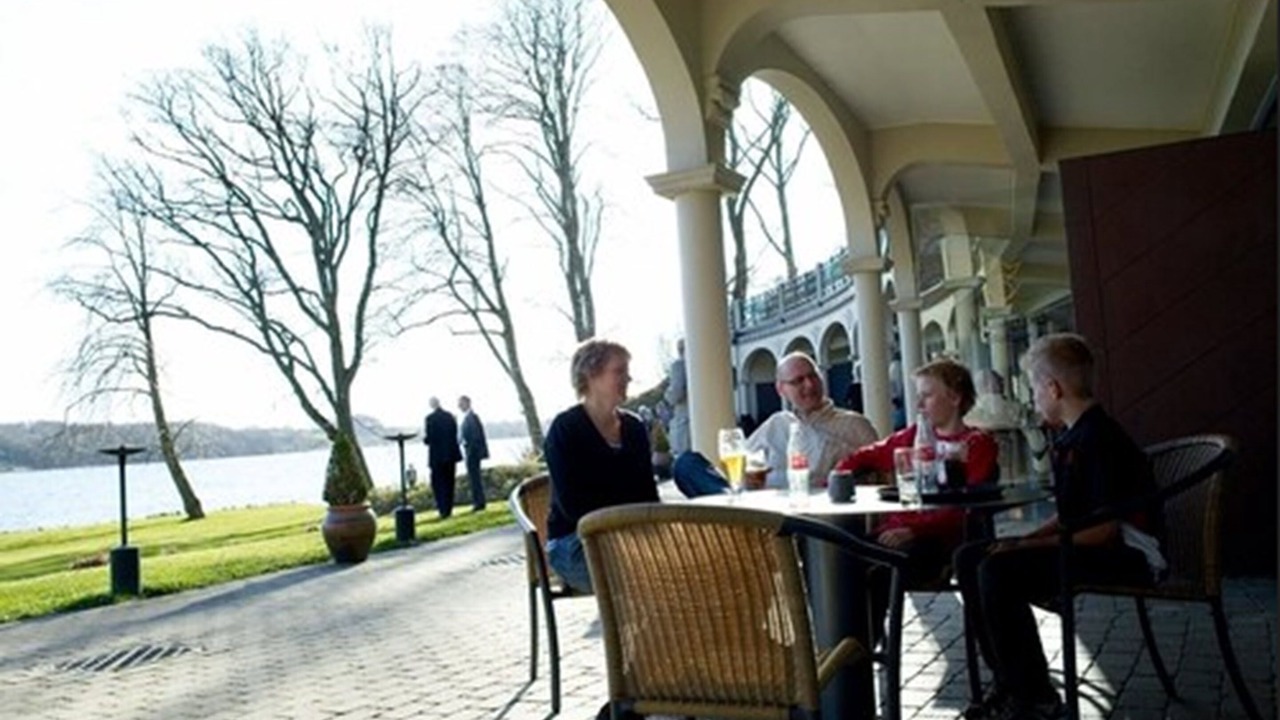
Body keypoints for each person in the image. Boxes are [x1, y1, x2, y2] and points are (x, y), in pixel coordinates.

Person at [953, 334, 1162, 720]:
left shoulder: (1098, 438)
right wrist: (1025, 539)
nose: (1033, 398)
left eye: (1034, 388)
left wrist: (1027, 548)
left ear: (1053, 388)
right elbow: (1072, 518)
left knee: (998, 571)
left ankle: (1035, 699)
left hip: (1127, 556)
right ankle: (1010, 684)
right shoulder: (1075, 436)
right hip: (1095, 545)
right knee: (970, 557)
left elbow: (1103, 531)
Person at [832, 358, 999, 636]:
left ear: (955, 398)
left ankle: (864, 646)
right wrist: (838, 475)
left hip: (944, 540)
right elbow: (867, 455)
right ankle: (853, 648)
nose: (919, 404)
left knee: (876, 571)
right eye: (918, 396)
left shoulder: (976, 445)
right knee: (840, 559)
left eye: (927, 395)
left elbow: (966, 508)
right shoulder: (913, 436)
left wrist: (914, 530)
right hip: (896, 534)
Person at [672, 352, 877, 497]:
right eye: (798, 381)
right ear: (781, 390)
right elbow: (741, 469)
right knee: (686, 463)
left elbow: (878, 481)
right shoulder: (776, 424)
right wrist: (746, 478)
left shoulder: (854, 424)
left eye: (813, 376)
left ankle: (730, 510)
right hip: (765, 510)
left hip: (812, 517)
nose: (809, 384)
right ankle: (729, 504)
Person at [545, 338, 659, 594]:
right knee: (643, 577)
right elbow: (574, 507)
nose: (628, 378)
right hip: (575, 543)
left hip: (630, 539)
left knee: (687, 565)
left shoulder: (634, 428)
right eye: (619, 371)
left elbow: (648, 496)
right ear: (591, 374)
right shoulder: (566, 429)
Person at [423, 397, 462, 519]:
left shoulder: (430, 419)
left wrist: (425, 440)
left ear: (432, 405)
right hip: (450, 455)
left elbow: (430, 438)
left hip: (437, 457)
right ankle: (448, 508)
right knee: (450, 482)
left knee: (438, 483)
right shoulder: (450, 416)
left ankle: (442, 508)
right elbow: (454, 434)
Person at [457, 395, 489, 512]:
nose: (459, 406)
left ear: (467, 403)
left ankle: (479, 502)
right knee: (474, 478)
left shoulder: (472, 417)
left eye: (461, 404)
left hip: (473, 453)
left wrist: (471, 449)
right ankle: (478, 501)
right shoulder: (467, 418)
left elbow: (475, 436)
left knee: (475, 478)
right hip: (470, 451)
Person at [664, 338, 691, 456]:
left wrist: (667, 394)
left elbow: (676, 393)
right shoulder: (700, 365)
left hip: (685, 421)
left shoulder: (679, 365)